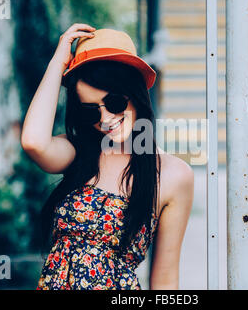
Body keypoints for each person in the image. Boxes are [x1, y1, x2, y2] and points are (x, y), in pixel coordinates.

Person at [21, 24, 194, 290]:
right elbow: (33, 142)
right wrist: (59, 62)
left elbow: (165, 279)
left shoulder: (173, 175)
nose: (105, 119)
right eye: (91, 111)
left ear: (135, 94)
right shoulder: (78, 151)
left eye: (114, 103)